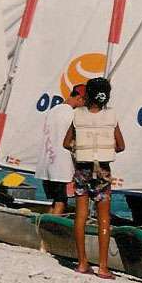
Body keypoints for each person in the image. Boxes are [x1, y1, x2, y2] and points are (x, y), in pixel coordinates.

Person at [63, 77, 125, 279]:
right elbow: (121, 145)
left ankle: (82, 263)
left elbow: (66, 143)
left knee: (81, 215)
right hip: (102, 170)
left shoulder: (78, 115)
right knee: (103, 219)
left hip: (82, 169)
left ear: (87, 95)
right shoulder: (111, 116)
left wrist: (81, 149)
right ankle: (103, 267)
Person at [41, 84, 86, 214]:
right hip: (62, 166)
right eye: (85, 102)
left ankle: (46, 223)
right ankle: (53, 225)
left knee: (56, 200)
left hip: (47, 164)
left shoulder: (53, 110)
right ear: (79, 98)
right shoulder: (72, 114)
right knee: (61, 201)